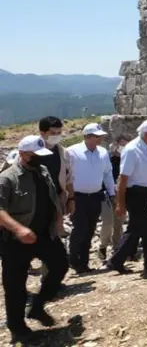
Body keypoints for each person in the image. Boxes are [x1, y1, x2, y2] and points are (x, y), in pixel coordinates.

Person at [0, 135, 69, 343]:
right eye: (35, 155)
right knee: (15, 286)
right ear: (22, 154)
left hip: (44, 234)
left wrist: (58, 222)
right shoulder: (7, 179)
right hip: (15, 240)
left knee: (60, 266)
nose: (40, 159)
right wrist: (19, 229)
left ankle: (38, 305)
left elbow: (52, 198)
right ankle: (18, 328)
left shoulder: (43, 171)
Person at [104, 118, 147, 276]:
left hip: (146, 193)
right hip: (135, 194)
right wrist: (120, 204)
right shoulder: (132, 150)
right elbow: (123, 178)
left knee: (134, 229)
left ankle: (116, 261)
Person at [65, 123, 115, 274]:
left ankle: (84, 263)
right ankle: (73, 259)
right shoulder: (72, 152)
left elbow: (107, 174)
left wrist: (112, 194)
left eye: (101, 136)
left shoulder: (103, 153)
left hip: (95, 196)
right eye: (97, 136)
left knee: (90, 229)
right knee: (80, 228)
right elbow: (66, 175)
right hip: (78, 197)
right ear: (87, 136)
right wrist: (68, 197)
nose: (100, 139)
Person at [99, 134, 130, 262]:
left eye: (126, 145)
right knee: (108, 222)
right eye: (122, 144)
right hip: (105, 195)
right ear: (116, 145)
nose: (123, 148)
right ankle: (103, 246)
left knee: (119, 223)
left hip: (120, 195)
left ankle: (117, 249)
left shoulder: (126, 160)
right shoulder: (106, 158)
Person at [36, 116, 74, 218]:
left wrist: (71, 199)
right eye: (53, 133)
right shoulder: (31, 152)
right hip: (34, 201)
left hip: (56, 201)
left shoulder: (63, 153)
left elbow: (68, 178)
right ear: (42, 133)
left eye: (59, 133)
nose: (56, 136)